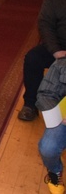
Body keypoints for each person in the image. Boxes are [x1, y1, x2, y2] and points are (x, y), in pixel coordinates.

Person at [19, 0, 66, 122]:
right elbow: (45, 23)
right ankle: (30, 104)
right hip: (59, 45)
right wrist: (56, 51)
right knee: (33, 58)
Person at [36, 58, 66, 193]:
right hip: (64, 118)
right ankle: (55, 170)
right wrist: (59, 114)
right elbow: (46, 94)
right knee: (48, 147)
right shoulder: (62, 63)